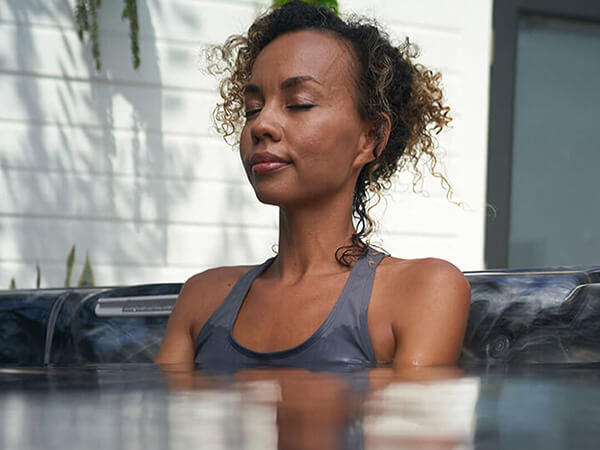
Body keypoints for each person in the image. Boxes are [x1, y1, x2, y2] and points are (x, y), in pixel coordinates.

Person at [156, 1, 471, 369]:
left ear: (370, 138)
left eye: (299, 103)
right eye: (252, 108)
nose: (261, 125)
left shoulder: (422, 290)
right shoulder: (201, 298)